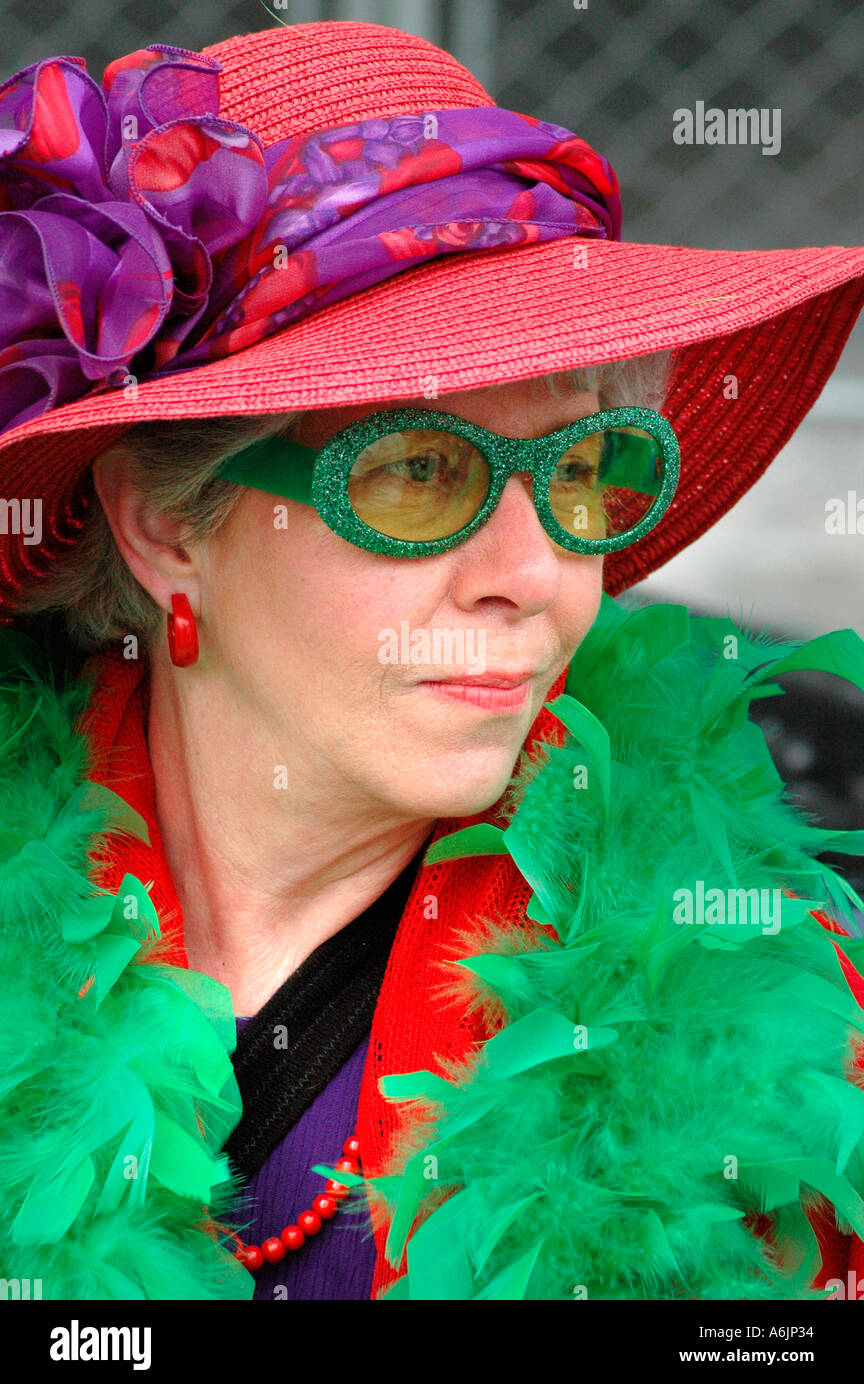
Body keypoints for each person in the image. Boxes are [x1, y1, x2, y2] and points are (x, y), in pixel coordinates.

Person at [1, 20, 863, 1303]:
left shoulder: (774, 1038)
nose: (539, 573)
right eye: (416, 473)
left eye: (578, 468)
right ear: (168, 523)